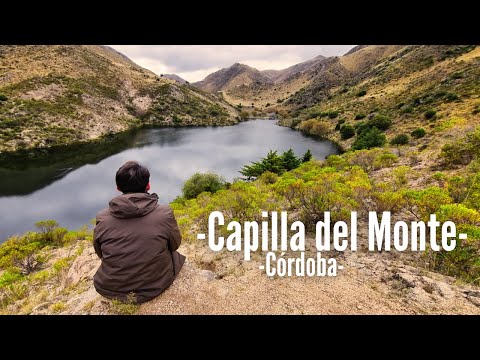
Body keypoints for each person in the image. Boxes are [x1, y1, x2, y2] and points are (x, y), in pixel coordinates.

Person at [93, 161, 185, 304]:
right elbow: (175, 245)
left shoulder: (102, 217)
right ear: (148, 185)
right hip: (154, 286)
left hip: (110, 288)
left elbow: (100, 252)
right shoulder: (164, 213)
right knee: (176, 256)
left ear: (118, 187)